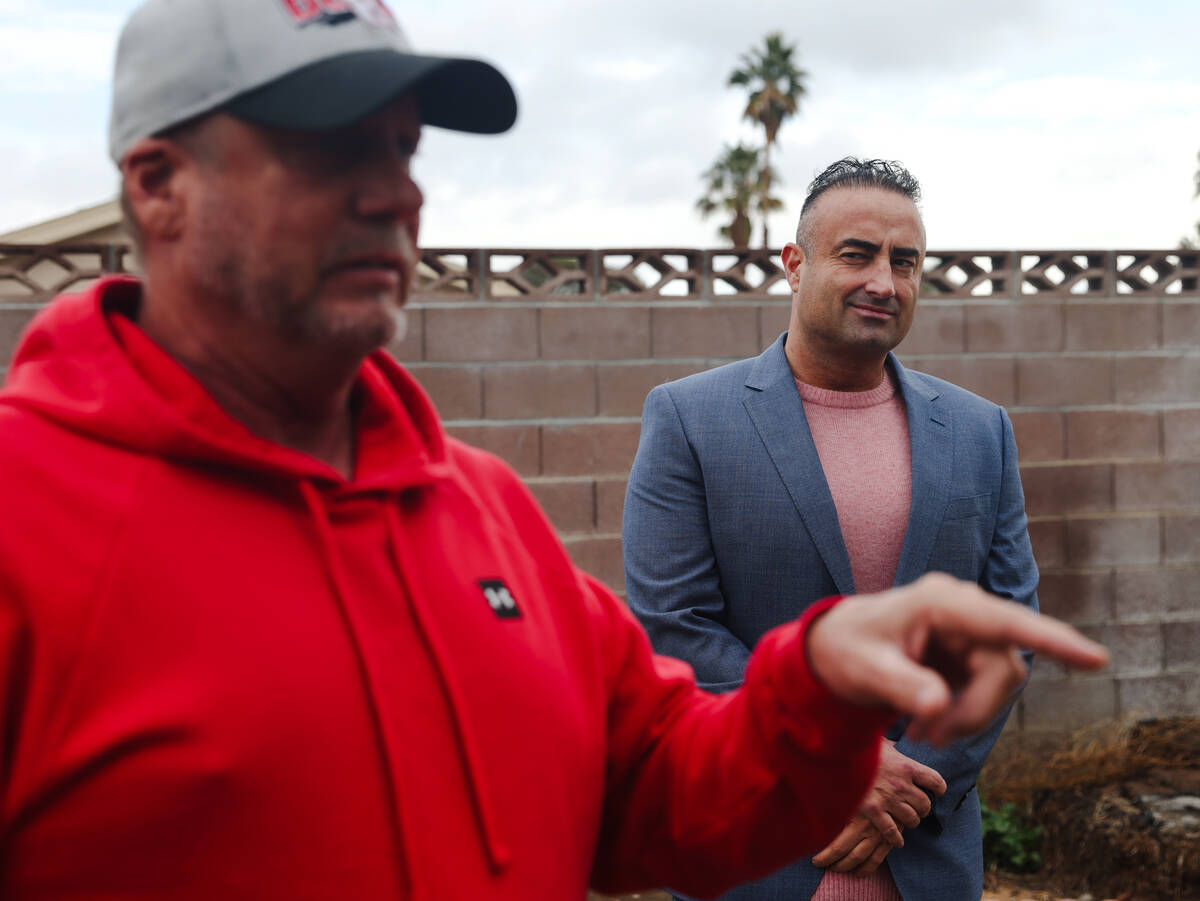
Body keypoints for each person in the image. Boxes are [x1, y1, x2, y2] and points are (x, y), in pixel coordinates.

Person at [0, 3, 1105, 898]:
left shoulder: (482, 514)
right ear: (157, 186)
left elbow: (655, 785)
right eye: (330, 149)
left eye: (403, 146)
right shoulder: (27, 524)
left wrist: (816, 693)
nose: (397, 193)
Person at [624, 158, 1040, 901]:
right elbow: (675, 626)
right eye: (857, 253)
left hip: (927, 851)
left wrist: (907, 781)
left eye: (904, 261)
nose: (884, 279)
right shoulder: (689, 419)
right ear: (794, 263)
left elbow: (1007, 625)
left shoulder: (982, 430)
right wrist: (834, 761)